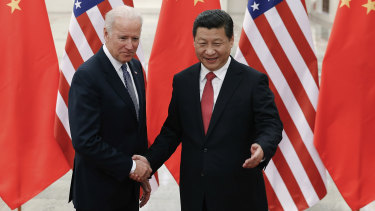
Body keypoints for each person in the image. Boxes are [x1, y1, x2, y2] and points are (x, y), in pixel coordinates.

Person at [133, 9, 283, 211]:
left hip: (240, 195)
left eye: (217, 43)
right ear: (194, 42)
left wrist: (262, 147)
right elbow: (172, 132)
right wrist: (148, 162)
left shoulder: (253, 81)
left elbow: (271, 125)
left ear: (231, 40)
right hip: (196, 195)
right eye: (203, 43)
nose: (209, 51)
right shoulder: (183, 81)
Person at [68, 5, 152, 211]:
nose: (130, 46)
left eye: (135, 38)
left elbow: (136, 126)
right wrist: (132, 167)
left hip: (127, 188)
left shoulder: (135, 68)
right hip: (97, 193)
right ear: (106, 34)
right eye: (123, 38)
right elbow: (85, 140)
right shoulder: (88, 76)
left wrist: (141, 174)